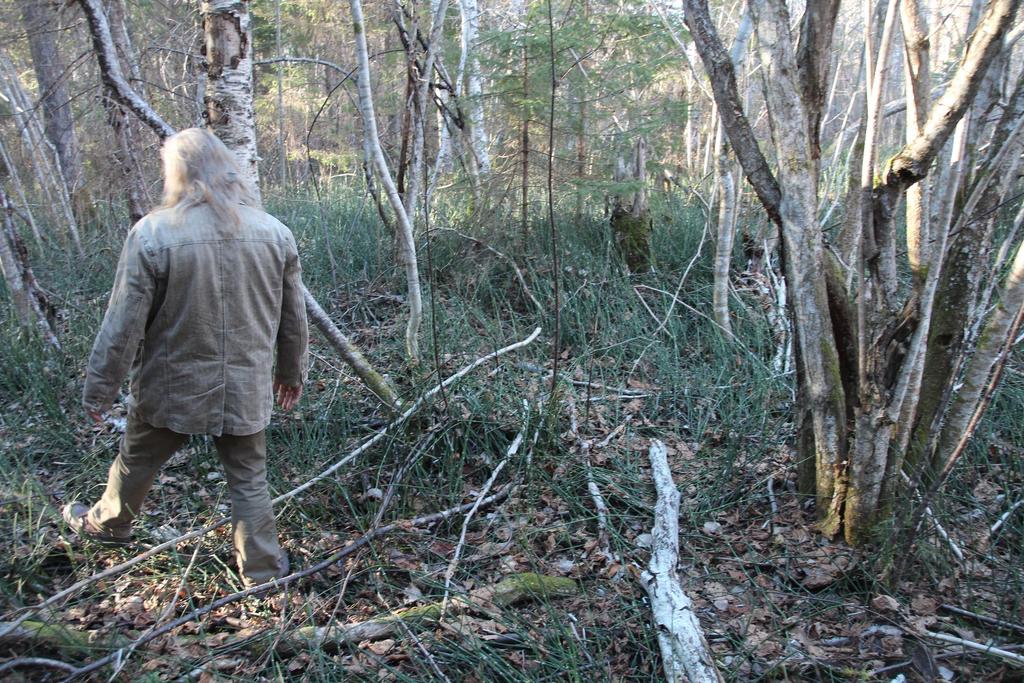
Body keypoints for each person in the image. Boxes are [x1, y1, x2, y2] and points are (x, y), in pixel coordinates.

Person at [62, 128, 308, 587]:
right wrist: (290, 371)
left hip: (171, 385)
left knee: (136, 459)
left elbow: (123, 322)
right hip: (244, 385)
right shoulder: (274, 232)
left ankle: (110, 525)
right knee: (249, 477)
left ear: (177, 173)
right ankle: (262, 572)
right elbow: (292, 317)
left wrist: (101, 387)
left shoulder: (154, 233)